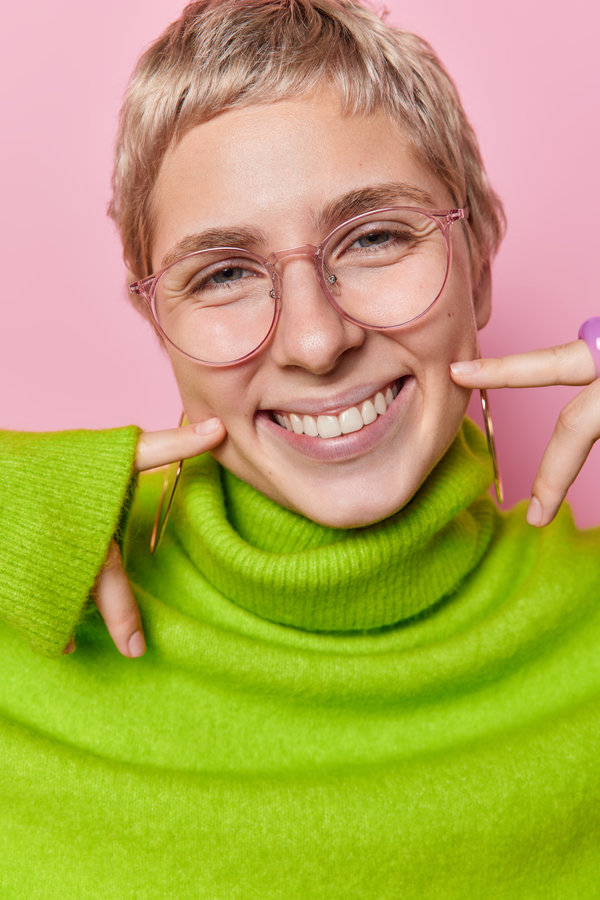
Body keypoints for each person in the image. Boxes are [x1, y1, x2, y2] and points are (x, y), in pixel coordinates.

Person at [1, 1, 599, 896]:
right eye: (225, 274)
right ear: (155, 320)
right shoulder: (29, 613)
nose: (317, 343)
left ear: (479, 265)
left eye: (376, 238)